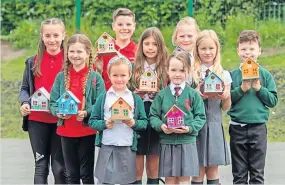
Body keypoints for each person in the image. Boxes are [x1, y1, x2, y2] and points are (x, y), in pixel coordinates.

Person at [49, 33, 105, 184]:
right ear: (67, 53)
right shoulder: (61, 77)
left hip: (87, 131)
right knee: (71, 174)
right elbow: (53, 102)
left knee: (86, 173)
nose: (75, 55)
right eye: (72, 51)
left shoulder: (95, 77)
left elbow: (101, 103)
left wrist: (87, 112)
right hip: (66, 131)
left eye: (79, 51)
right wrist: (58, 112)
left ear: (87, 53)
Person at [19, 18, 67, 184]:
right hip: (37, 121)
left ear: (63, 35)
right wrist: (25, 103)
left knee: (60, 167)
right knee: (41, 165)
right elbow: (25, 89)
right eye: (47, 35)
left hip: (61, 121)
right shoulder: (32, 61)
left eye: (56, 35)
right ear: (42, 36)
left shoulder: (70, 61)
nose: (52, 39)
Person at [227, 30, 278, 184]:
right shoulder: (232, 75)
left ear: (259, 51)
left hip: (258, 129)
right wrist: (241, 89)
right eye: (243, 49)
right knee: (239, 173)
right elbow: (227, 100)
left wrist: (259, 88)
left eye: (252, 49)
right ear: (238, 51)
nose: (248, 53)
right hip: (237, 128)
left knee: (257, 173)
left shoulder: (265, 75)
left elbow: (273, 100)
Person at [89, 55, 147, 184]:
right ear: (109, 75)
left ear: (129, 75)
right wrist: (104, 124)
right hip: (107, 144)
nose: (119, 79)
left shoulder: (135, 99)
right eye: (115, 75)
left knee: (126, 180)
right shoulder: (103, 98)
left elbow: (144, 122)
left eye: (123, 75)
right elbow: (92, 121)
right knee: (105, 180)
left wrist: (133, 123)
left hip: (126, 145)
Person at [149, 51, 206, 184]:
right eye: (173, 70)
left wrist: (189, 128)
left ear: (188, 71)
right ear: (167, 70)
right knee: (170, 179)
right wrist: (161, 126)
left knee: (184, 179)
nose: (177, 74)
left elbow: (201, 117)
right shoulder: (162, 95)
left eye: (182, 70)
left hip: (187, 142)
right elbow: (153, 116)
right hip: (167, 142)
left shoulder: (193, 94)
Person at [191, 30, 231, 185]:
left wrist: (226, 97)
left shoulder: (223, 74)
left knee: (213, 169)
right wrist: (197, 94)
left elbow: (225, 107)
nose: (207, 52)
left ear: (217, 50)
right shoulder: (192, 73)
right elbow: (185, 101)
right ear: (197, 50)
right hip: (197, 125)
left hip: (214, 125)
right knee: (198, 169)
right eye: (203, 49)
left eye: (211, 48)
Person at [132, 27, 168, 184]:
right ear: (141, 46)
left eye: (155, 44)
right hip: (139, 115)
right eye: (147, 43)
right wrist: (135, 95)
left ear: (161, 46)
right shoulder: (134, 68)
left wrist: (160, 94)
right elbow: (124, 92)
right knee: (137, 161)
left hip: (157, 116)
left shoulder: (166, 68)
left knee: (154, 162)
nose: (151, 47)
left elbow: (172, 94)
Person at [95, 8, 137, 90]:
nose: (124, 28)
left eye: (128, 24)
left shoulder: (138, 51)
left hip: (130, 99)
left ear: (134, 26)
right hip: (107, 97)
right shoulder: (104, 49)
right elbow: (95, 81)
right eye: (120, 24)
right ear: (113, 26)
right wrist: (98, 71)